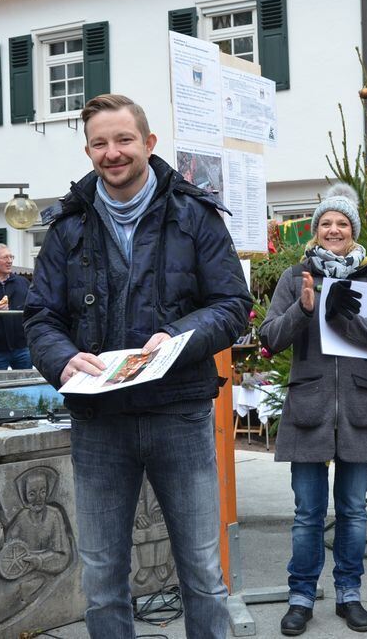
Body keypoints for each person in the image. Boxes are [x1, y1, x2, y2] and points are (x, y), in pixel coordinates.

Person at [24, 94, 251, 638]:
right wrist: (60, 358)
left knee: (201, 571)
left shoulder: (194, 215)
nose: (112, 153)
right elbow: (39, 318)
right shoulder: (67, 227)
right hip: (99, 421)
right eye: (100, 143)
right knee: (102, 577)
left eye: (124, 140)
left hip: (180, 414)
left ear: (148, 144)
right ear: (88, 150)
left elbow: (233, 306)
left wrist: (174, 338)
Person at [259, 184, 367, 635]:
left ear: (353, 230)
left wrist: (345, 318)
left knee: (355, 512)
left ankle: (349, 594)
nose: (334, 229)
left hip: (359, 407)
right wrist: (306, 310)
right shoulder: (294, 276)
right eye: (326, 223)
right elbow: (270, 337)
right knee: (307, 514)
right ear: (316, 231)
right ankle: (300, 597)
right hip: (309, 407)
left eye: (342, 223)